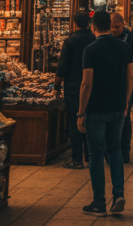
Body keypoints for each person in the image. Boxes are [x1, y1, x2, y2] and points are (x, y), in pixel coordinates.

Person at [77, 10, 133, 216]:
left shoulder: (90, 50)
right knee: (115, 150)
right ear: (110, 26)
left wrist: (80, 112)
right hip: (118, 107)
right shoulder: (124, 46)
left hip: (96, 109)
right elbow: (130, 77)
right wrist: (125, 102)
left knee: (96, 154)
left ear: (93, 27)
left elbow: (86, 83)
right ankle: (118, 193)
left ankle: (99, 202)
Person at [54, 11, 95, 169]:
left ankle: (77, 158)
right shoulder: (93, 39)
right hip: (91, 86)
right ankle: (90, 156)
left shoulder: (70, 41)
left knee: (74, 122)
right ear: (89, 23)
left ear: (74, 23)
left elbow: (62, 67)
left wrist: (57, 86)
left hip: (72, 87)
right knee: (88, 121)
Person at [110, 13, 133, 163]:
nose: (113, 30)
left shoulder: (131, 37)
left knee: (124, 116)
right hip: (110, 83)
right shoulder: (107, 37)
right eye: (111, 27)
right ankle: (111, 150)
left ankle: (125, 150)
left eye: (116, 27)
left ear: (123, 24)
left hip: (126, 83)